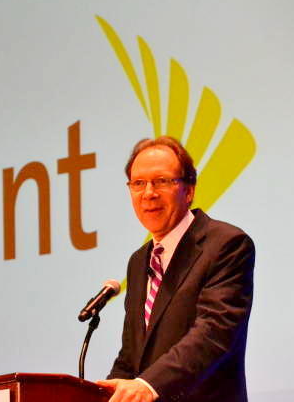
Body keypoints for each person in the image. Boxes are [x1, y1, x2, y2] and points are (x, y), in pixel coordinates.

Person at [97, 136, 255, 402]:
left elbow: (213, 333)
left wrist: (148, 385)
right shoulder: (139, 262)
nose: (149, 193)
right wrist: (103, 394)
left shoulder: (226, 244)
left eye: (161, 181)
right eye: (138, 183)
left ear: (189, 190)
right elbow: (132, 355)